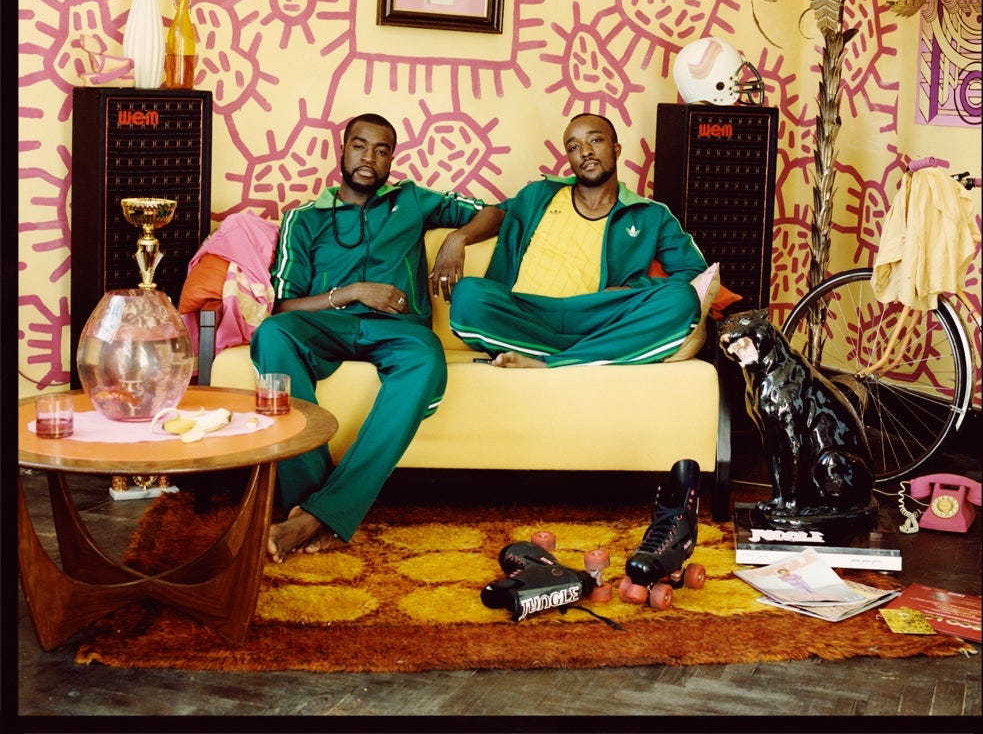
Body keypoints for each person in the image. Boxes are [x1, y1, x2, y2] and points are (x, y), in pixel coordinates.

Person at [251, 113, 503, 561]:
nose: (369, 158)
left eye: (381, 150)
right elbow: (284, 306)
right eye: (360, 146)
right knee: (273, 334)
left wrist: (456, 240)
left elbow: (496, 212)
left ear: (391, 159)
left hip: (398, 330)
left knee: (426, 357)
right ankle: (315, 507)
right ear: (342, 150)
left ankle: (311, 517)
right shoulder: (302, 219)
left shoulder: (412, 200)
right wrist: (351, 292)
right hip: (328, 326)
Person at [449, 112, 707, 368]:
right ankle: (588, 356)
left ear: (616, 149)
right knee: (467, 295)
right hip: (527, 314)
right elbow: (495, 213)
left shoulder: (651, 214)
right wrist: (457, 238)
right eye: (574, 147)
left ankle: (549, 361)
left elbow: (694, 271)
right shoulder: (539, 194)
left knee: (682, 299)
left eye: (595, 140)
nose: (585, 152)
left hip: (601, 319)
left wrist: (633, 289)